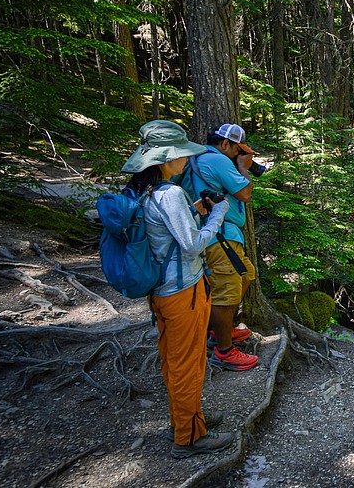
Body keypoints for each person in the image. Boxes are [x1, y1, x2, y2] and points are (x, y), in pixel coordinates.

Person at [121, 120, 235, 459]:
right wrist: (218, 216)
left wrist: (196, 211)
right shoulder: (170, 193)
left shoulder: (146, 190)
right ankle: (188, 437)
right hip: (183, 291)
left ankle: (188, 418)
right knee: (187, 362)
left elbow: (165, 232)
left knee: (175, 360)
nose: (186, 160)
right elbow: (191, 245)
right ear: (166, 160)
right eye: (181, 155)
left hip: (162, 290)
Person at [176, 122, 259, 371]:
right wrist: (243, 169)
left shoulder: (202, 157)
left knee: (246, 275)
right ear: (225, 144)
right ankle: (223, 350)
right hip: (219, 237)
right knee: (225, 291)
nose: (239, 155)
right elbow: (245, 193)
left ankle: (222, 330)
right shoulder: (217, 160)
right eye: (237, 150)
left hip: (222, 235)